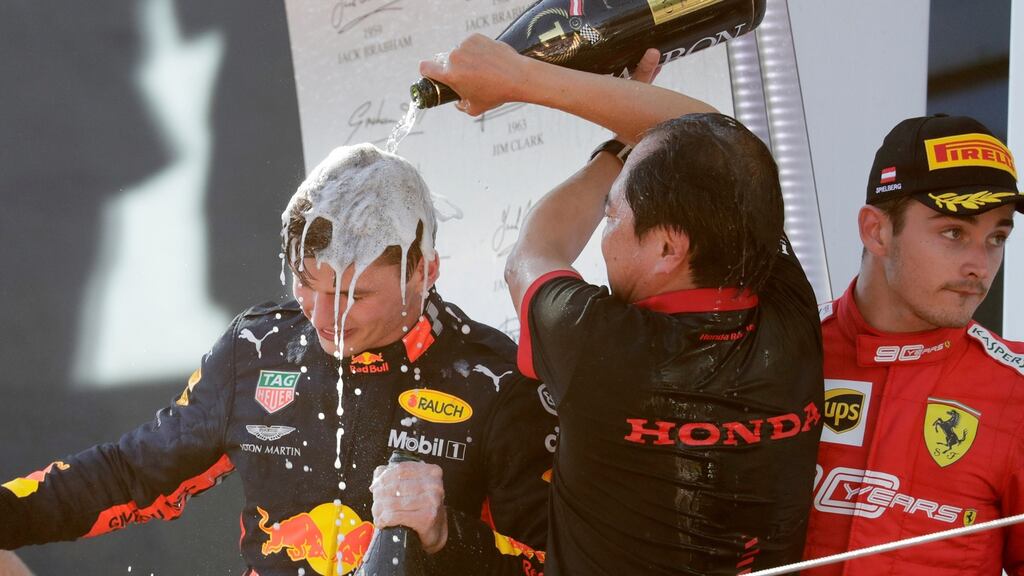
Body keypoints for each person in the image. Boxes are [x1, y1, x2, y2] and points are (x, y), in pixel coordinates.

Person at [0, 144, 557, 576]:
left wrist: (444, 535)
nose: (325, 316)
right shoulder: (257, 346)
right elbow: (134, 472)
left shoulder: (498, 379)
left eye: (354, 294)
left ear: (425, 271)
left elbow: (552, 562)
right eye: (307, 284)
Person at [419, 35, 824, 575]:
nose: (605, 235)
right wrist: (524, 79)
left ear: (668, 249)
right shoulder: (788, 311)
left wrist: (595, 137)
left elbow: (532, 252)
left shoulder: (597, 343)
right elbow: (722, 143)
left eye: (611, 215)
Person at [802, 114, 1024, 574]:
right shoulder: (779, 352)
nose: (980, 266)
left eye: (996, 238)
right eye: (954, 233)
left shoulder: (1016, 388)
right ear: (877, 231)